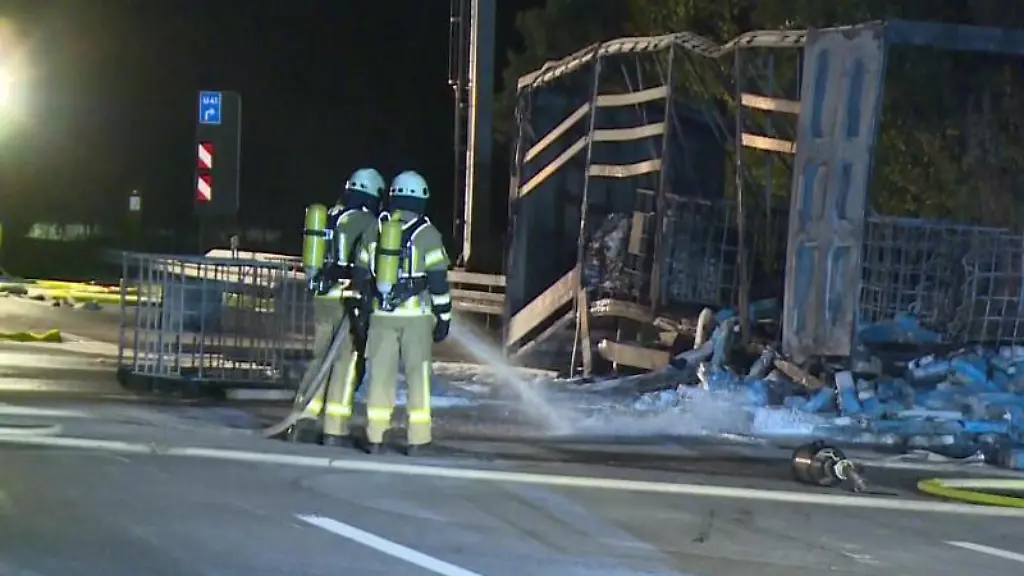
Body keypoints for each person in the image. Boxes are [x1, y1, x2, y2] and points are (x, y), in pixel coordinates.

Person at [353, 170, 452, 455]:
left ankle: (374, 437)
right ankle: (418, 440)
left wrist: (364, 311)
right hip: (416, 319)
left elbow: (361, 276)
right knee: (417, 379)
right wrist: (444, 318)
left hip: (381, 317)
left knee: (379, 378)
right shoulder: (428, 234)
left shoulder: (376, 229)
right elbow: (437, 282)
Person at [294, 167, 385, 446]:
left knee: (320, 359)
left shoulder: (329, 217)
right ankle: (334, 429)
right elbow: (364, 265)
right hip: (348, 300)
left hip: (322, 297)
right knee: (346, 363)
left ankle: (301, 421)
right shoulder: (368, 223)